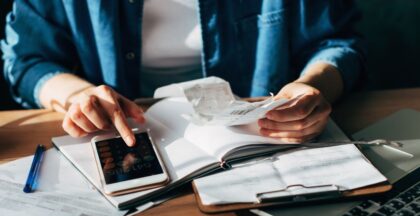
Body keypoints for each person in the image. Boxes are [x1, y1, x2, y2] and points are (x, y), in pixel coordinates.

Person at [1, 0, 366, 146]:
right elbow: (27, 60)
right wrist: (79, 96)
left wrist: (311, 86)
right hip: (130, 137)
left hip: (267, 139)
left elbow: (337, 43)